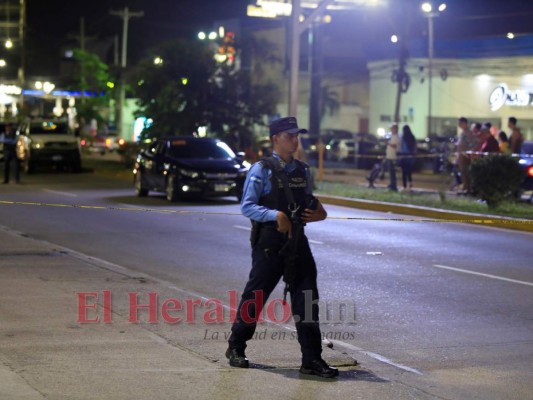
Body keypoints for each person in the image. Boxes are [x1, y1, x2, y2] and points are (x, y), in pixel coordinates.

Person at [226, 116, 338, 379]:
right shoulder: (261, 170)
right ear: (275, 139)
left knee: (307, 299)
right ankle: (235, 346)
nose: (295, 140)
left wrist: (319, 212)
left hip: (298, 242)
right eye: (290, 136)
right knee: (256, 295)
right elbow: (247, 206)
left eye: (297, 135)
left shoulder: (302, 170)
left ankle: (311, 359)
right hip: (270, 242)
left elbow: (309, 202)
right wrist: (274, 215)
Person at [456, 117, 476, 194]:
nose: (459, 125)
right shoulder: (463, 133)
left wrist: (468, 151)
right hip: (461, 154)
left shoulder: (468, 133)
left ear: (464, 123)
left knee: (465, 171)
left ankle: (468, 188)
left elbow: (474, 142)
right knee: (462, 171)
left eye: (460, 123)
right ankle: (465, 187)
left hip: (465, 155)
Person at [399, 124, 416, 190]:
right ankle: (410, 184)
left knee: (404, 172)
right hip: (410, 157)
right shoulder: (412, 137)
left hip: (404, 156)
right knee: (408, 172)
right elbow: (414, 148)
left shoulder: (403, 137)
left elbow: (402, 147)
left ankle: (404, 186)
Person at [384, 123, 399, 191]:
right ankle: (391, 184)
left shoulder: (396, 137)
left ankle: (394, 186)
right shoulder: (391, 136)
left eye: (392, 128)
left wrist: (388, 143)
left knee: (392, 173)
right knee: (390, 172)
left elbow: (395, 146)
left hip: (393, 157)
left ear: (395, 129)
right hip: (389, 156)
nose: (391, 129)